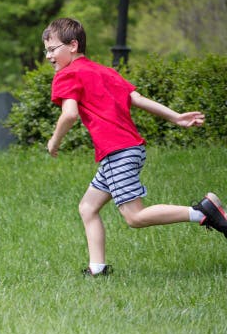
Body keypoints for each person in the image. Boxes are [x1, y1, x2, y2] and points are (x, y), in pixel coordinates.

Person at [42, 17, 227, 276]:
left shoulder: (66, 75)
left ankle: (202, 212)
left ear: (72, 45)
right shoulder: (102, 71)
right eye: (46, 50)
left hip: (117, 152)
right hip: (127, 150)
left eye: (52, 49)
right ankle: (97, 269)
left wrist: (54, 140)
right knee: (87, 207)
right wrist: (175, 116)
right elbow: (136, 98)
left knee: (135, 217)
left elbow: (70, 114)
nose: (49, 56)